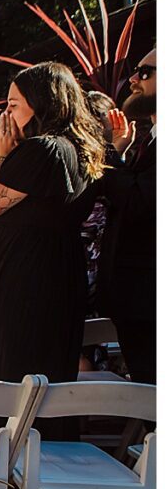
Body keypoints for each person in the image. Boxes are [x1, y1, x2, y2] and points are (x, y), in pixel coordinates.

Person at [0, 62, 105, 427]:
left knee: (10, 374)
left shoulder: (44, 150)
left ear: (42, 103)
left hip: (23, 280)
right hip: (52, 273)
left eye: (13, 104)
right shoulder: (76, 149)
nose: (6, 114)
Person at [96, 48, 156, 383]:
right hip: (136, 304)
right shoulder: (148, 142)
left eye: (145, 73)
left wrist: (106, 148)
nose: (133, 79)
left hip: (149, 303)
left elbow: (136, 200)